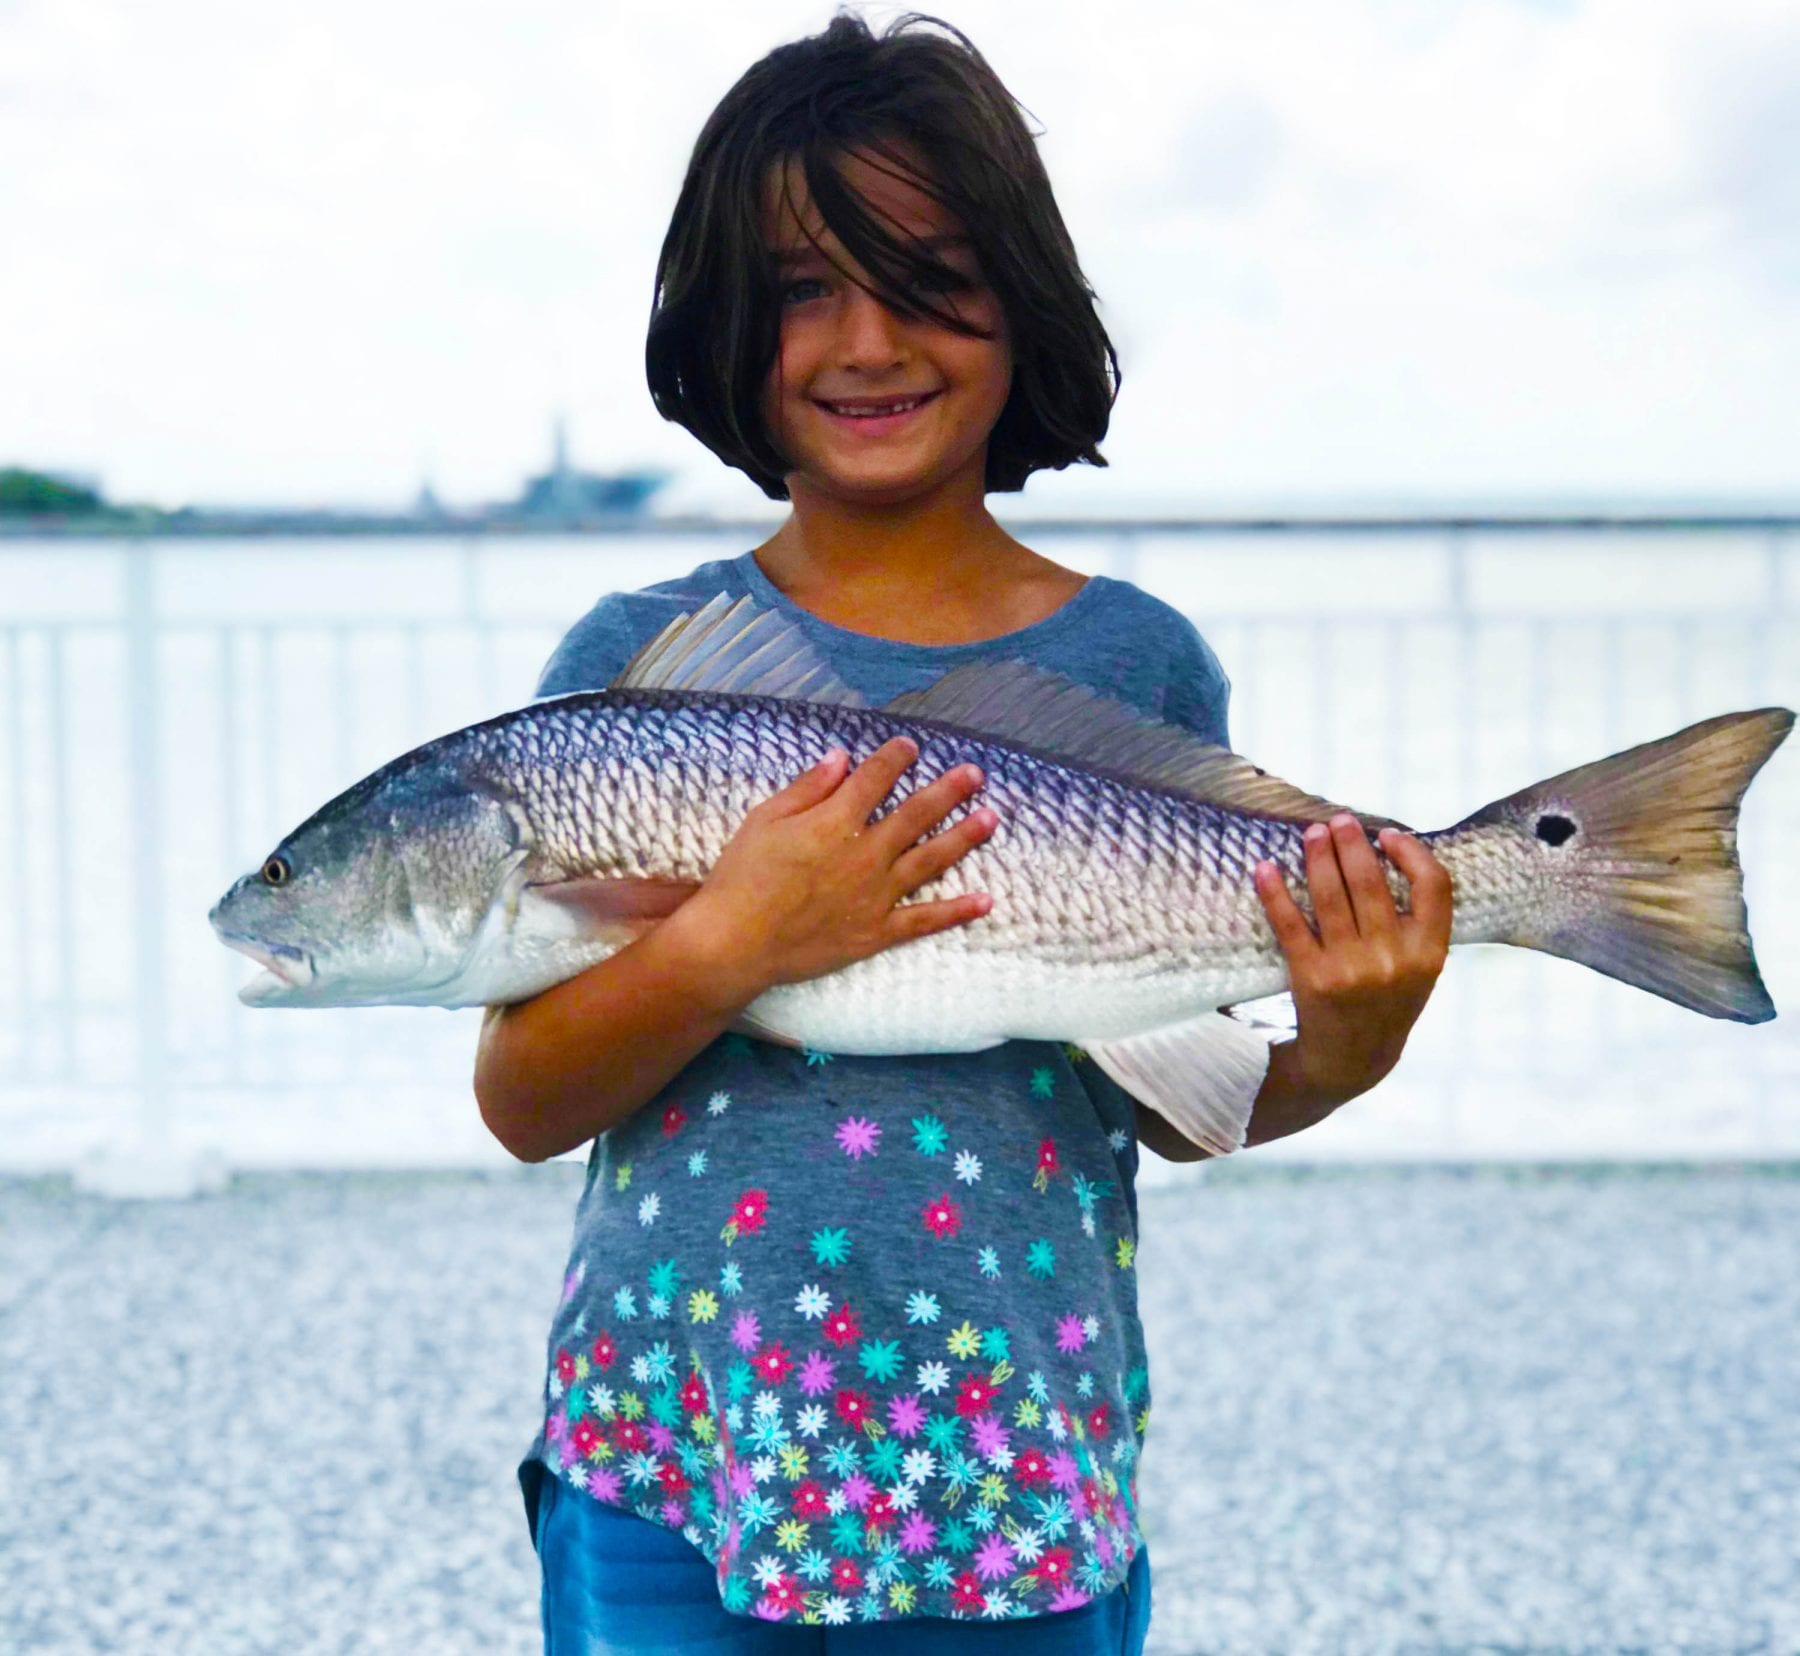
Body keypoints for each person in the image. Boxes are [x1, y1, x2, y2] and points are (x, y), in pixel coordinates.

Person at [475, 12, 1452, 1652]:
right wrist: (737, 937)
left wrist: (1347, 1050)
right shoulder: (631, 674)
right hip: (674, 1461)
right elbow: (523, 1098)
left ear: (1026, 299)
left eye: (928, 272)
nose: (867, 339)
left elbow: (1175, 1092)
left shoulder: (1134, 661)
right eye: (799, 289)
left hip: (1011, 1469)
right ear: (721, 326)